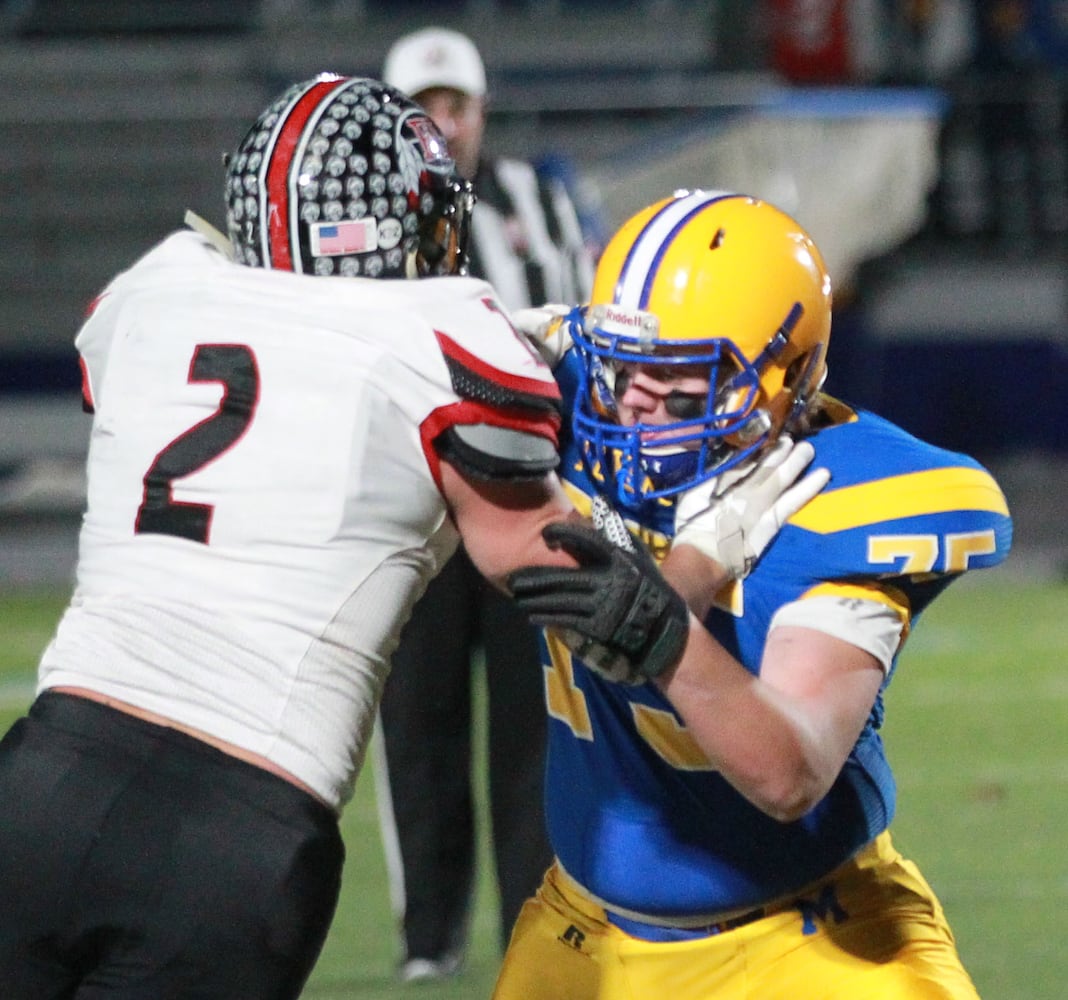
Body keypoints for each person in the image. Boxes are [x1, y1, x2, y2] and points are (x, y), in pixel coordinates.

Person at [0, 73, 611, 1000]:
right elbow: (544, 562)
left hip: (43, 778)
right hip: (236, 827)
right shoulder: (443, 337)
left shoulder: (159, 285)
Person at [498, 189, 1013, 999]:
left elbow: (790, 773)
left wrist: (663, 628)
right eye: (623, 366)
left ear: (791, 379)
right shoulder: (562, 386)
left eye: (678, 380)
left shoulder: (839, 498)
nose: (632, 404)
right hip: (584, 928)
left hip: (802, 942)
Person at [373, 25, 596, 982]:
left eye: (455, 104)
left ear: (481, 109)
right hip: (413, 509)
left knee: (532, 729)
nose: (442, 124)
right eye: (422, 108)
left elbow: (584, 331)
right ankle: (428, 940)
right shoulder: (355, 219)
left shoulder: (535, 202)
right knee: (414, 729)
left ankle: (529, 925)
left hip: (523, 495)